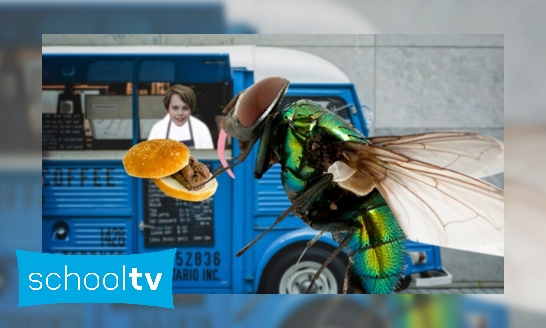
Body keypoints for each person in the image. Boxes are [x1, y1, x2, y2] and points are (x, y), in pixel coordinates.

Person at [147, 84, 214, 149]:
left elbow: (207, 158)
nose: (180, 113)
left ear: (191, 109)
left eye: (185, 108)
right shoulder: (158, 130)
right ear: (167, 109)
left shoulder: (201, 129)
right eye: (175, 108)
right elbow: (149, 158)